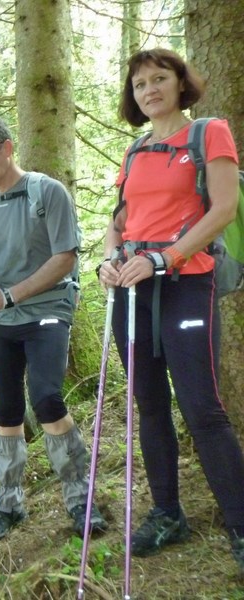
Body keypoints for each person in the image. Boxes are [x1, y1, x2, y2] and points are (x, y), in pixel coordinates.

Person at [97, 48, 244, 573]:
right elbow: (120, 218)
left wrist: (166, 257)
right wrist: (110, 259)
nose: (149, 90)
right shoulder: (136, 150)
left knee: (202, 407)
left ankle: (240, 524)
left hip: (187, 282)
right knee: (150, 403)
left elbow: (223, 208)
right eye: (139, 84)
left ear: (181, 84)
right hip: (132, 289)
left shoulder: (208, 134)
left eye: (159, 79)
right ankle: (166, 512)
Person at [0, 115, 107, 540]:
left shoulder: (47, 192)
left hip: (46, 311)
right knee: (6, 411)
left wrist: (8, 295)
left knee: (46, 399)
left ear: (6, 147)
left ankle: (81, 500)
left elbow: (66, 257)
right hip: (1, 319)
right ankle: (8, 504)